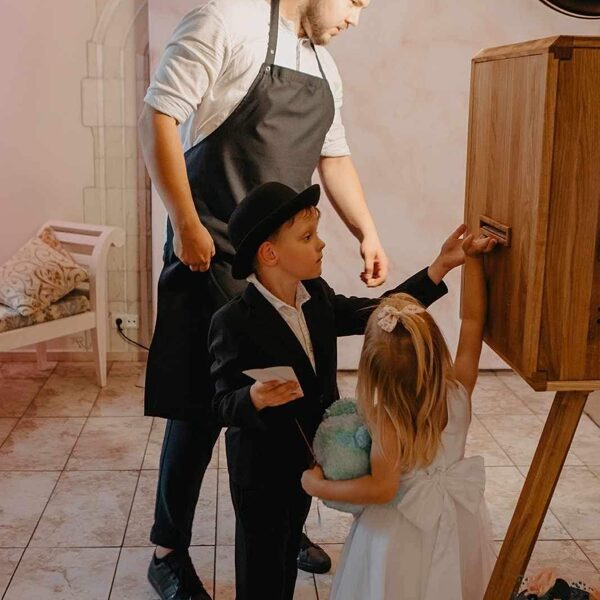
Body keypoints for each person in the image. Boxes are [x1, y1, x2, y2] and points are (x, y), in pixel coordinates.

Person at [139, 1, 387, 597]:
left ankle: (281, 525)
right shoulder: (224, 21)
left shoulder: (324, 67)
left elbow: (333, 156)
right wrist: (186, 224)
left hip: (279, 268)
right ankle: (167, 552)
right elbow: (158, 118)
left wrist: (367, 230)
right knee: (198, 413)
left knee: (288, 406)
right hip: (208, 256)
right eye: (356, 0)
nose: (356, 18)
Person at [207, 180, 486, 600]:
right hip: (262, 469)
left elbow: (380, 312)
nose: (321, 244)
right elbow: (220, 403)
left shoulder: (317, 296)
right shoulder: (233, 322)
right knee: (261, 564)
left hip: (312, 458)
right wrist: (253, 398)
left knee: (288, 542)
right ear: (270, 254)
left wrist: (438, 268)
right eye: (307, 237)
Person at [301, 234, 497, 600]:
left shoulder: (387, 419)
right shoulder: (458, 393)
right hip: (456, 519)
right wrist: (473, 260)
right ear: (436, 352)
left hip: (397, 534)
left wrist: (319, 487)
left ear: (374, 374)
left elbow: (381, 488)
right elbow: (473, 322)